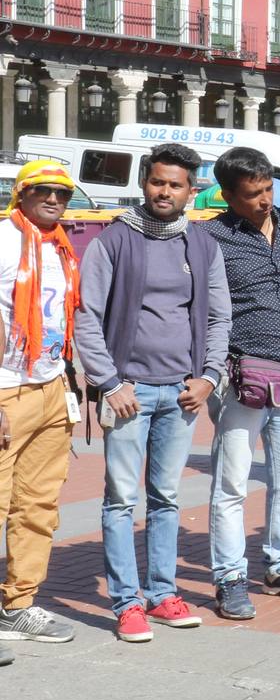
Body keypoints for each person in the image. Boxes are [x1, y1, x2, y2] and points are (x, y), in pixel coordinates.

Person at [79, 143, 231, 642]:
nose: (165, 191)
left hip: (181, 394)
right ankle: (127, 603)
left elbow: (219, 317)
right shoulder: (114, 239)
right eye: (157, 182)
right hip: (130, 393)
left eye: (175, 184)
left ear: (191, 190)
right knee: (121, 499)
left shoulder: (203, 245)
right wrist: (110, 382)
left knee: (166, 498)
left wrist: (209, 377)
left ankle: (162, 594)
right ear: (145, 182)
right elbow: (87, 316)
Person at [202, 148, 280, 620]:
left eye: (269, 189)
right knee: (231, 485)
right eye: (253, 194)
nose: (265, 200)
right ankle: (230, 577)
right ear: (228, 195)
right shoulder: (210, 237)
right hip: (243, 375)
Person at [0, 161, 83, 655]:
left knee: (37, 505)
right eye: (43, 191)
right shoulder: (3, 239)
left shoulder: (61, 246)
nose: (54, 199)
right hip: (6, 391)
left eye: (63, 193)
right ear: (22, 193)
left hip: (50, 385)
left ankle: (17, 605)